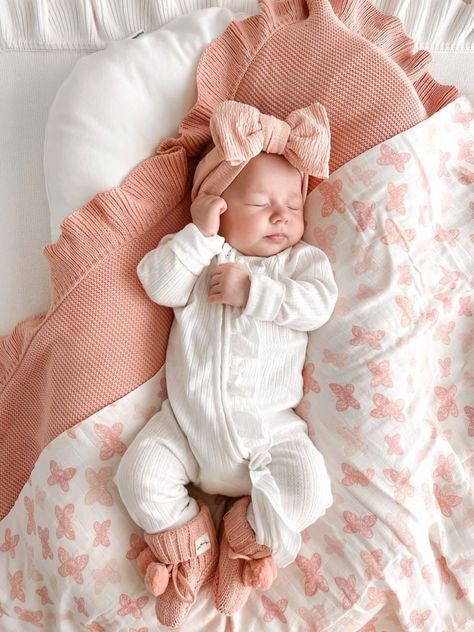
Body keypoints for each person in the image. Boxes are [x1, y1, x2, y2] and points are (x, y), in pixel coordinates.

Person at [115, 100, 338, 628]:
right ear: (217, 206)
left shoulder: (298, 264)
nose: (282, 215)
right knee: (138, 476)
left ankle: (244, 538)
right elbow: (157, 283)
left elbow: (318, 306)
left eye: (291, 203)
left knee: (308, 488)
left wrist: (255, 291)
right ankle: (189, 544)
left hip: (271, 434)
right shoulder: (201, 257)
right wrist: (197, 235)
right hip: (187, 431)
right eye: (261, 202)